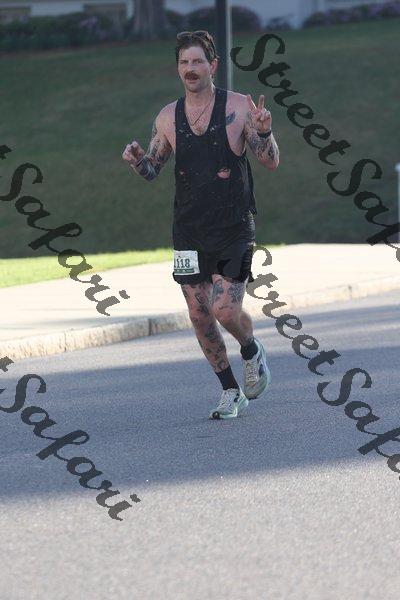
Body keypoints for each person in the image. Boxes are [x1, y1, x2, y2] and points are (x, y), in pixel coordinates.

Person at [122, 30, 279, 420]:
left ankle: (251, 350)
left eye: (197, 61)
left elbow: (270, 161)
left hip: (233, 227)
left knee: (224, 309)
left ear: (213, 65)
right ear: (178, 68)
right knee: (198, 314)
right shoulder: (167, 117)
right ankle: (230, 391)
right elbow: (152, 170)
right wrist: (138, 160)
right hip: (188, 230)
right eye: (184, 62)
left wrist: (264, 131)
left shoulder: (239, 107)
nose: (190, 69)